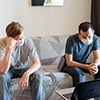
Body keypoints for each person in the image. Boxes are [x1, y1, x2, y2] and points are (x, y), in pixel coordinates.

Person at [0, 21, 43, 100]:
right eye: (19, 38)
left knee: (38, 75)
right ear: (10, 38)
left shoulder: (28, 42)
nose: (22, 40)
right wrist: (9, 47)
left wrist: (27, 73)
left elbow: (37, 63)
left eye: (23, 36)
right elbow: (3, 70)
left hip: (22, 68)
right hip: (8, 70)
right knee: (2, 77)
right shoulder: (2, 43)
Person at [61, 22, 100, 86]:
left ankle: (96, 92)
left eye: (89, 36)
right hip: (69, 66)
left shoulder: (95, 39)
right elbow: (69, 62)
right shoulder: (71, 40)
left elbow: (97, 58)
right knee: (78, 72)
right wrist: (87, 67)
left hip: (83, 63)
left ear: (93, 32)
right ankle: (79, 95)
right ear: (79, 34)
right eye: (84, 37)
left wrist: (94, 66)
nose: (87, 39)